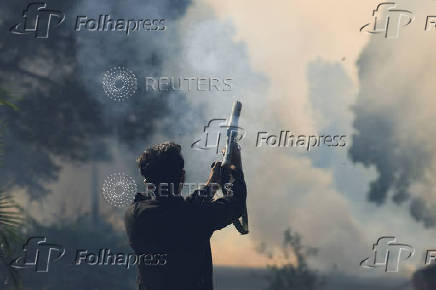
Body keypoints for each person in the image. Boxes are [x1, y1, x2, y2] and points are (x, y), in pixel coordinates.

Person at [124, 141, 247, 290]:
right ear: (182, 177)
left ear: (147, 182)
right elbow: (235, 203)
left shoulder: (134, 214)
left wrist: (212, 184)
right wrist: (235, 167)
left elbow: (179, 209)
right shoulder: (194, 215)